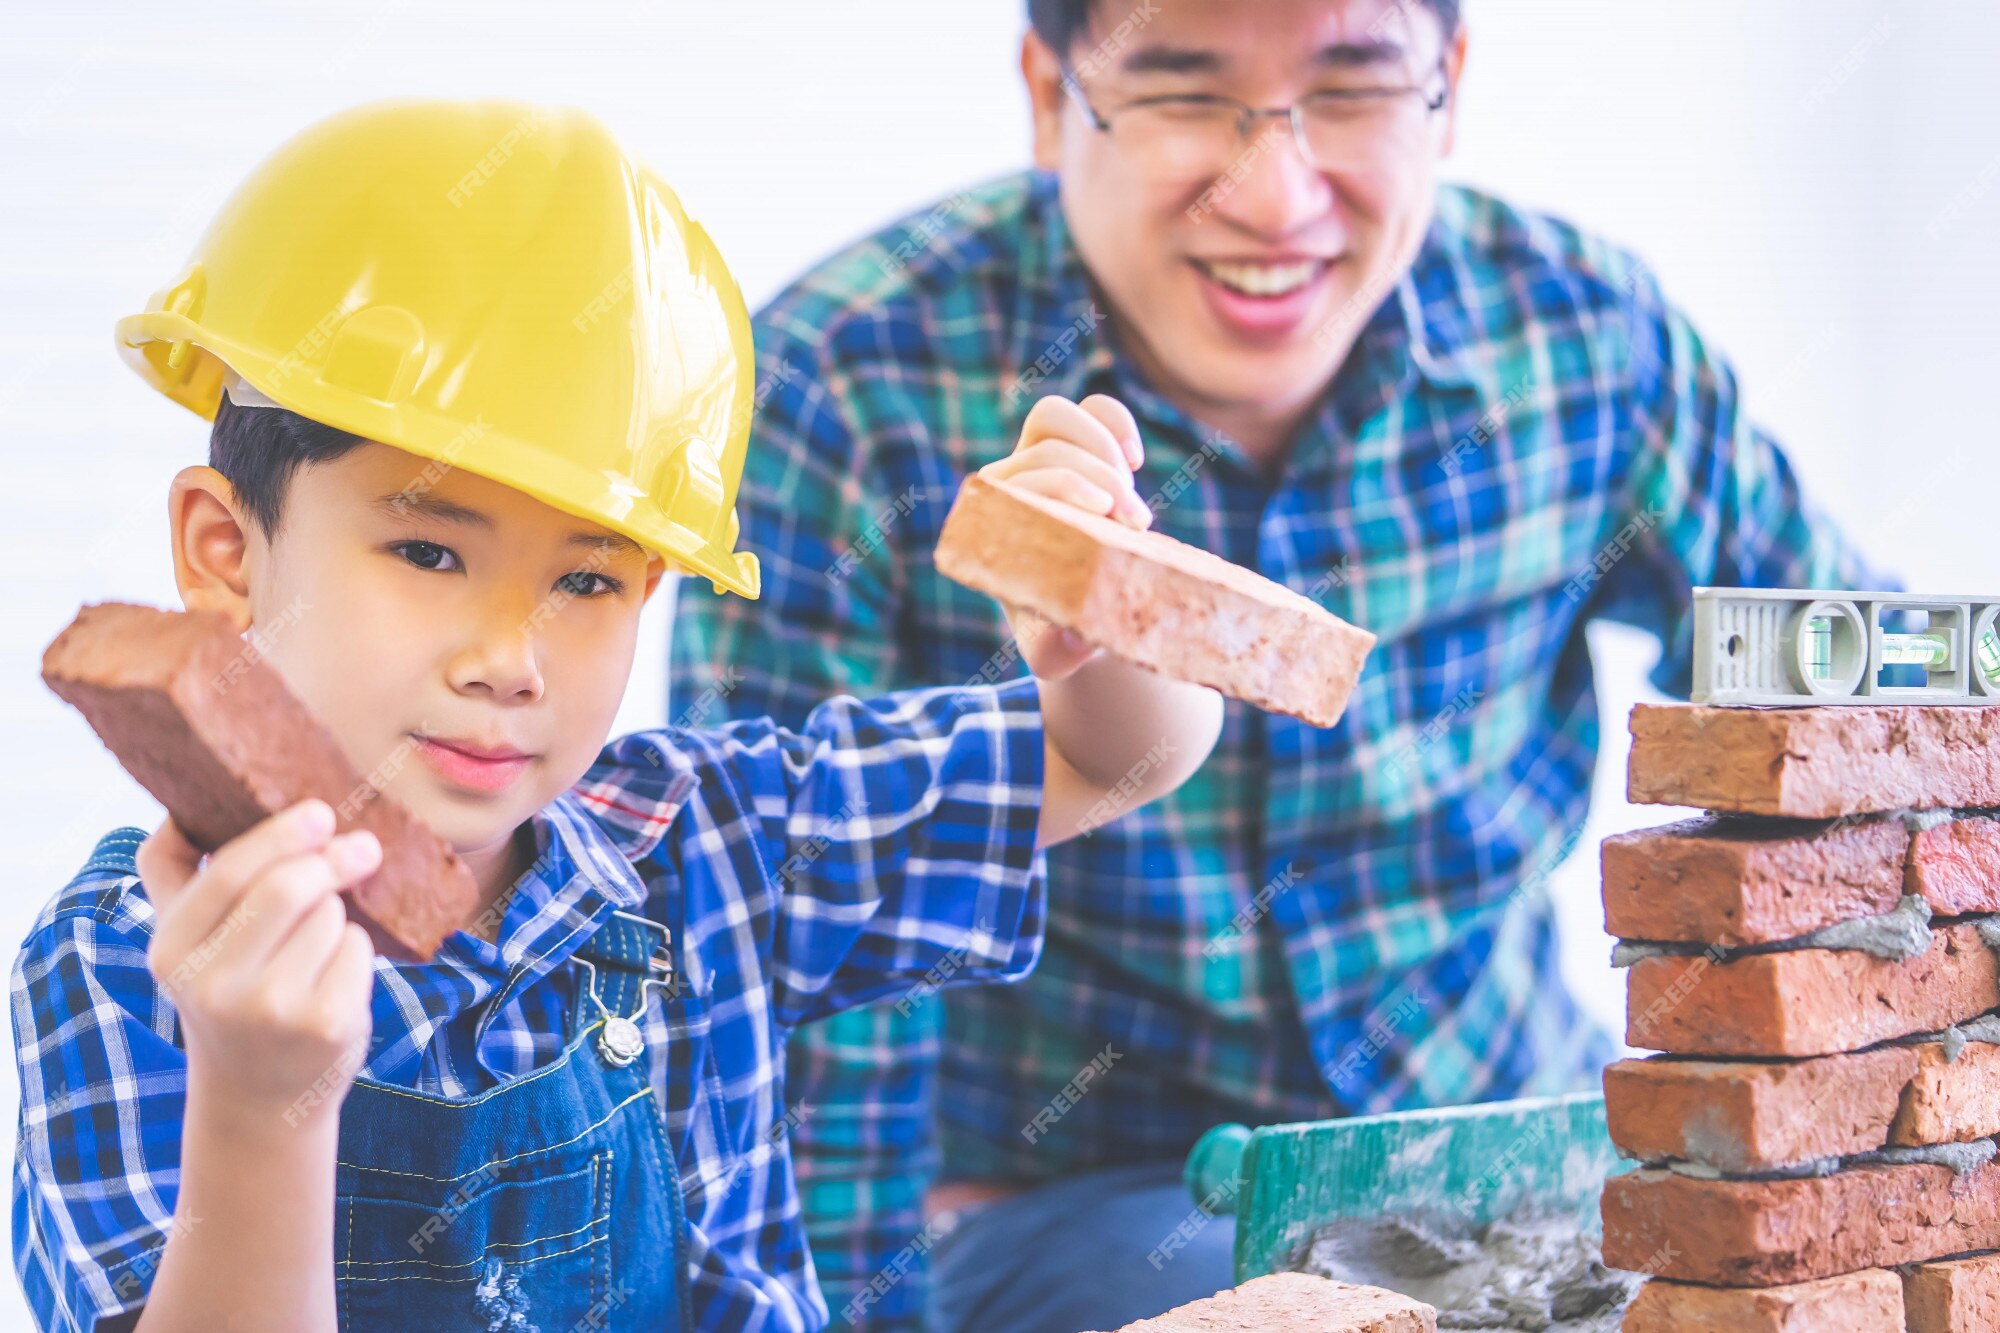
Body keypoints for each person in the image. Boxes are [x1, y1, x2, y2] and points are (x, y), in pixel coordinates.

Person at [666, 2, 1890, 1329]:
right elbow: (793, 974)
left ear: (1449, 88)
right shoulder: (848, 387)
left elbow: (1855, 701)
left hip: (1508, 1145)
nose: (1276, 195)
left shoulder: (1591, 348)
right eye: (1187, 94)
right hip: (1082, 1202)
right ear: (1046, 91)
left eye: (1351, 90)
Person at [9, 98, 1222, 1333]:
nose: (509, 660)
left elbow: (1108, 758)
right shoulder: (132, 967)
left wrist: (1100, 611)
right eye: (429, 550)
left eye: (585, 581)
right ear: (226, 551)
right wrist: (259, 1102)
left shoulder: (709, 847)